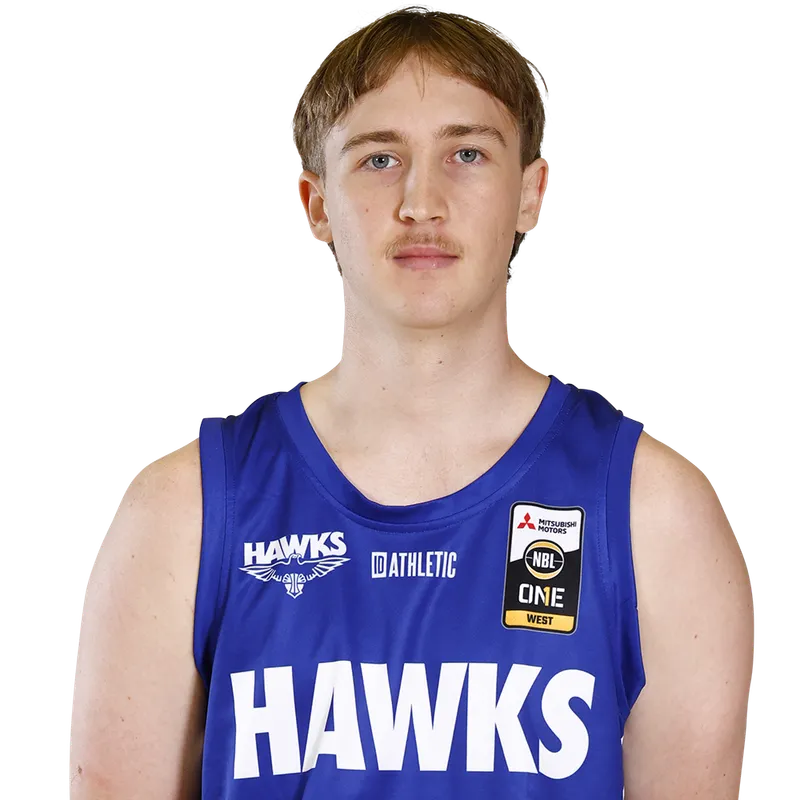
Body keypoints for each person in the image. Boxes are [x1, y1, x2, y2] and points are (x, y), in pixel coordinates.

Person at [68, 6, 754, 798]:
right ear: (315, 203)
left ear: (532, 193)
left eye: (467, 153)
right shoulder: (181, 512)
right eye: (379, 159)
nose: (421, 202)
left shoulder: (652, 512)